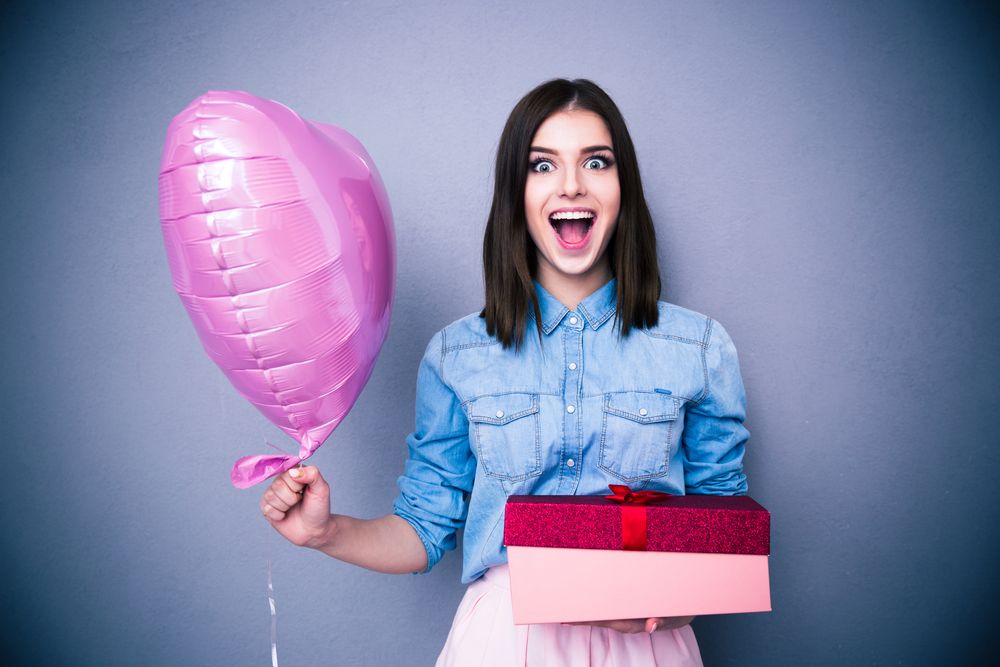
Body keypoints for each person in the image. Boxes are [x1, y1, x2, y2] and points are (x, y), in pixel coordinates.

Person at [259, 78, 749, 666]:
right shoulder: (455, 355)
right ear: (516, 192)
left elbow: (725, 529)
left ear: (624, 189)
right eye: (543, 165)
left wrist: (676, 603)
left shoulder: (698, 346)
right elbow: (422, 528)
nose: (571, 184)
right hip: (504, 642)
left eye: (597, 162)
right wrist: (324, 531)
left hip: (646, 645)